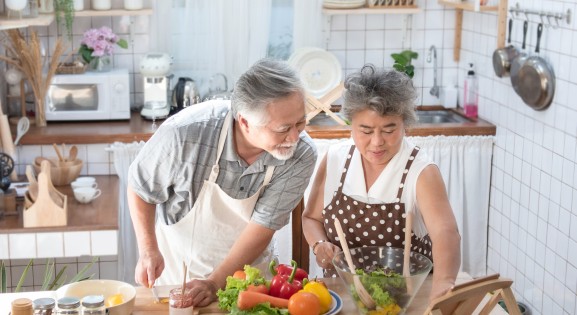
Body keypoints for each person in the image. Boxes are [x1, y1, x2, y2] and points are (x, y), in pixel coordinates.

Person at [128, 58, 317, 306]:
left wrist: (215, 282)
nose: (294, 137)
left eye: (300, 122)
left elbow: (264, 226)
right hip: (177, 278)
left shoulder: (301, 154)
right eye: (283, 128)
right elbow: (141, 188)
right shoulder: (185, 134)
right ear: (245, 122)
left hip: (249, 283)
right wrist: (148, 250)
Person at [302, 64, 461, 300]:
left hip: (406, 298)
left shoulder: (420, 171)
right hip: (343, 294)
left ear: (404, 124)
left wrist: (444, 285)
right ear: (350, 125)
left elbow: (446, 234)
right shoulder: (335, 159)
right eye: (365, 130)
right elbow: (311, 218)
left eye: (389, 130)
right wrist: (319, 244)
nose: (377, 142)